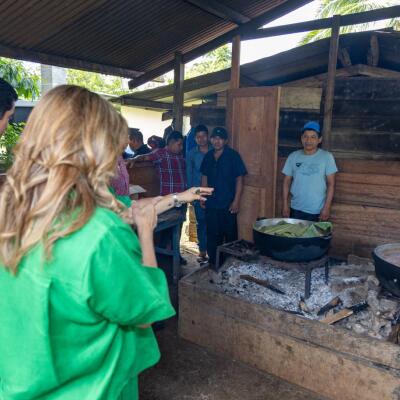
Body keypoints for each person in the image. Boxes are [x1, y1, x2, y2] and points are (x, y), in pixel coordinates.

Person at [0, 85, 212, 400]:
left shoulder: (14, 209)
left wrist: (180, 197)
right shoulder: (100, 233)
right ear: (93, 148)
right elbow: (144, 315)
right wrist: (146, 234)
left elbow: (128, 207)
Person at [200, 127, 247, 269]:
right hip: (211, 204)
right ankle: (214, 264)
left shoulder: (233, 156)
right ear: (211, 139)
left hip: (228, 204)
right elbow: (204, 177)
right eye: (214, 138)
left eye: (220, 138)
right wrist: (202, 197)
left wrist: (236, 201)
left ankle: (229, 266)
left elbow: (239, 179)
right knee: (212, 235)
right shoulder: (208, 156)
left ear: (225, 141)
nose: (217, 141)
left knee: (230, 236)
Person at [282, 121, 338, 222]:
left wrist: (326, 207)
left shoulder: (327, 157)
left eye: (313, 137)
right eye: (305, 136)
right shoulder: (293, 156)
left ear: (319, 139)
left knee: (314, 233)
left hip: (317, 210)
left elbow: (331, 184)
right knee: (295, 232)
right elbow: (286, 182)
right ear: (301, 138)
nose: (308, 140)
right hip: (296, 208)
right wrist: (285, 205)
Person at [186, 125, 211, 264]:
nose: (201, 139)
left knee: (213, 222)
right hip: (198, 193)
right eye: (198, 137)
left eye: (203, 136)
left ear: (208, 136)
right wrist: (192, 194)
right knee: (201, 222)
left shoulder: (214, 151)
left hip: (213, 193)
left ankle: (213, 251)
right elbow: (189, 174)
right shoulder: (191, 154)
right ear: (195, 139)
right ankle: (202, 251)